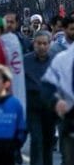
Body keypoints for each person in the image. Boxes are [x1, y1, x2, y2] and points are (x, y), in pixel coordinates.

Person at [41, 32, 74, 163]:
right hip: (69, 117)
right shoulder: (62, 58)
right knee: (69, 158)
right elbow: (47, 86)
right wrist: (56, 101)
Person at [24, 31, 55, 165]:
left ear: (49, 45)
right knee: (36, 139)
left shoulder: (56, 60)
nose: (42, 46)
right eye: (39, 43)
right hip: (32, 105)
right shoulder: (25, 60)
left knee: (48, 140)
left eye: (45, 43)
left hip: (50, 106)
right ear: (34, 44)